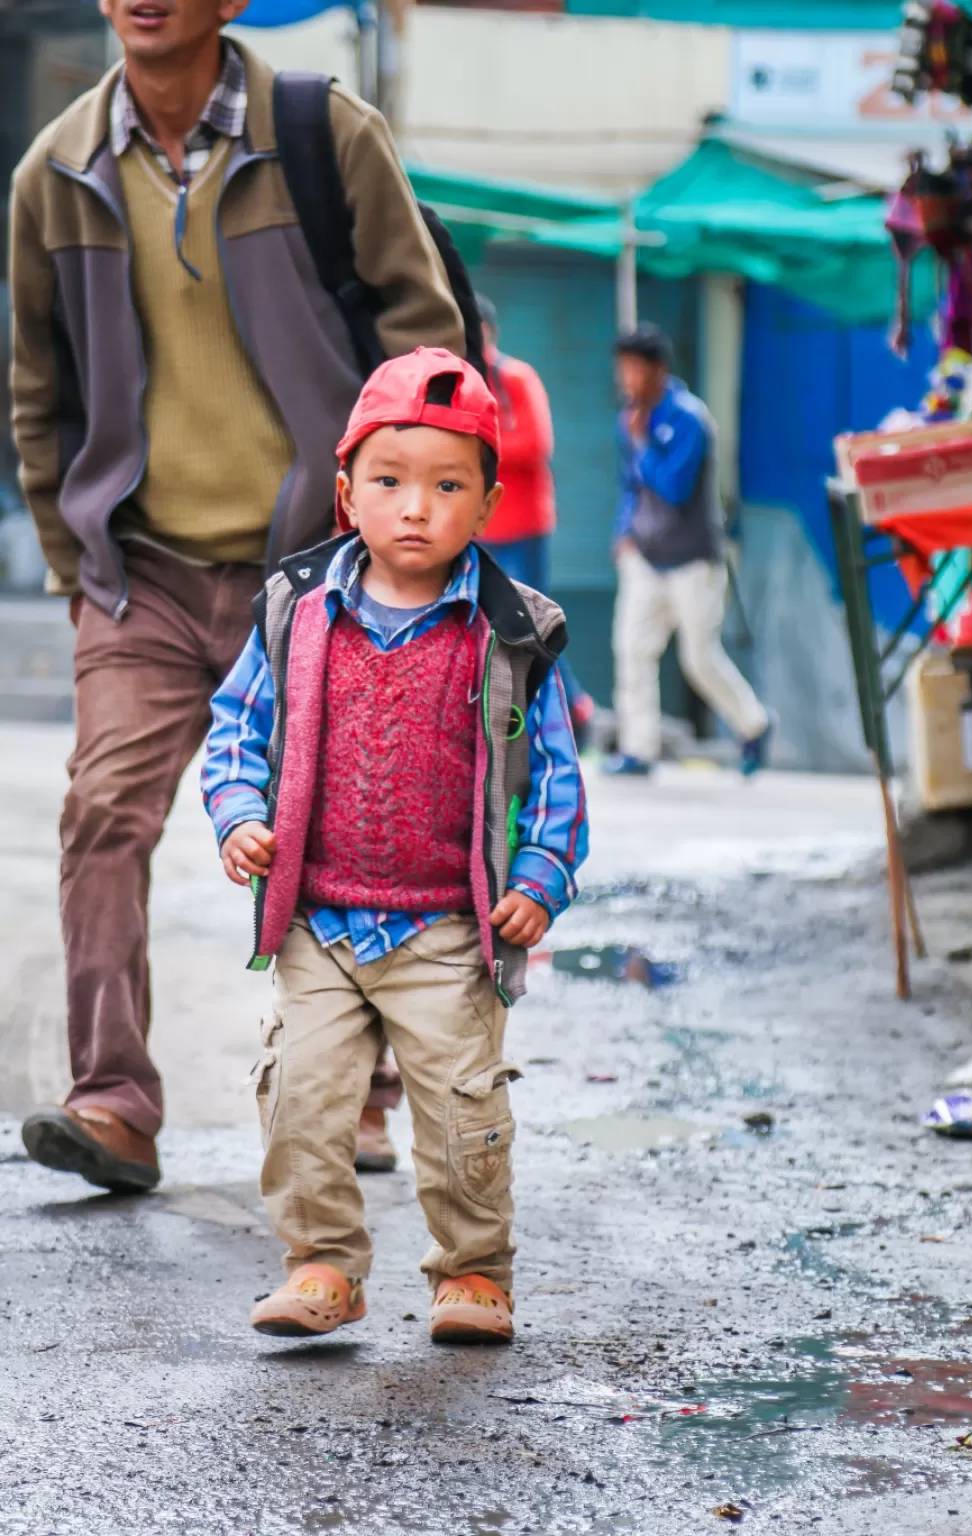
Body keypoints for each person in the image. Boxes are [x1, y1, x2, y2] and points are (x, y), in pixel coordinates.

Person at [10, 0, 465, 1193]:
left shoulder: (321, 136)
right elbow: (39, 393)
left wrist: (391, 544)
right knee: (103, 813)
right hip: (142, 572)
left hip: (318, 568)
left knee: (341, 824)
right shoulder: (55, 175)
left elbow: (426, 346)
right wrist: (80, 570)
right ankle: (111, 1101)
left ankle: (356, 1085)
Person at [202, 348, 588, 1344]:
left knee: (462, 1115)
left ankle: (472, 1272)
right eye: (389, 482)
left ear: (488, 503)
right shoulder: (298, 612)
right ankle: (322, 1263)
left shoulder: (509, 631)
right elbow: (236, 727)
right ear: (346, 493)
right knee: (302, 1097)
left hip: (448, 931)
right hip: (319, 924)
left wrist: (541, 875)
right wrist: (240, 813)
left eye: (447, 485)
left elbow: (551, 771)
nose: (415, 506)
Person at [604, 324, 772, 778]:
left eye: (633, 369)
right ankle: (639, 748)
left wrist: (642, 443)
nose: (626, 379)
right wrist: (623, 532)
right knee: (633, 649)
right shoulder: (631, 418)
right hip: (645, 556)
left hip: (693, 559)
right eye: (622, 369)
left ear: (658, 370)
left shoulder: (688, 419)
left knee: (699, 658)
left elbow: (674, 487)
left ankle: (753, 725)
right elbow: (631, 487)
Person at [475, 295, 593, 738]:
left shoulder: (516, 378)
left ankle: (573, 712)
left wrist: (485, 444)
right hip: (483, 528)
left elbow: (537, 443)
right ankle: (545, 713)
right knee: (492, 628)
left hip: (523, 526)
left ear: (487, 331)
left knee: (536, 624)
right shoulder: (462, 380)